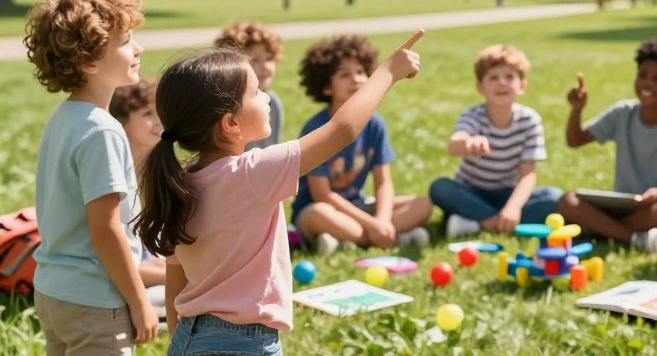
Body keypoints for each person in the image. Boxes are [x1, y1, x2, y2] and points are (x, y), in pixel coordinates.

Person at [135, 31, 422, 353]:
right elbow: (342, 130)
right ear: (230, 124)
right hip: (242, 342)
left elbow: (176, 276)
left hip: (189, 337)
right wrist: (387, 72)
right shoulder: (253, 173)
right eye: (257, 93)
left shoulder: (179, 184)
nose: (267, 98)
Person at [24, 0, 159, 353]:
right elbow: (106, 231)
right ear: (88, 61)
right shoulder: (103, 131)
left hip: (54, 292)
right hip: (96, 303)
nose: (139, 47)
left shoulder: (64, 117)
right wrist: (139, 301)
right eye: (125, 41)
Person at [290, 35, 433, 254]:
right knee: (317, 214)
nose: (356, 79)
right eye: (344, 75)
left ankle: (353, 239)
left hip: (359, 205)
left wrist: (382, 219)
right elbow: (323, 195)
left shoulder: (375, 124)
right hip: (324, 210)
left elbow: (383, 182)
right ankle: (390, 237)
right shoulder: (316, 128)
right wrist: (371, 224)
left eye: (360, 72)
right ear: (327, 87)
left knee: (423, 204)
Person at [556, 38, 657, 251]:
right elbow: (575, 140)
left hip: (653, 207)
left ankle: (602, 230)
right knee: (567, 201)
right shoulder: (622, 113)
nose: (647, 83)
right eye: (642, 76)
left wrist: (656, 194)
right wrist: (577, 109)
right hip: (622, 205)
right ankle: (633, 238)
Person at [429, 44, 563, 238]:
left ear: (522, 85)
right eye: (493, 77)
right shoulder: (473, 115)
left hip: (507, 195)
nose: (502, 83)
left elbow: (528, 175)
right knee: (440, 187)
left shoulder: (529, 120)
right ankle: (497, 223)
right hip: (471, 193)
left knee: (554, 196)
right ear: (480, 87)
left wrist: (513, 208)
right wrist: (468, 143)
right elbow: (454, 145)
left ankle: (476, 223)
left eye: (509, 77)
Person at [109, 77, 166, 323]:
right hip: (125, 281)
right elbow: (121, 262)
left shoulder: (160, 174)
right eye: (147, 114)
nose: (158, 122)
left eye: (159, 113)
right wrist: (175, 275)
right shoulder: (116, 179)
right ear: (122, 122)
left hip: (153, 271)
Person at [214, 21, 285, 150]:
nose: (266, 67)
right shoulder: (225, 109)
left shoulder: (273, 102)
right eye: (255, 60)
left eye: (269, 58)